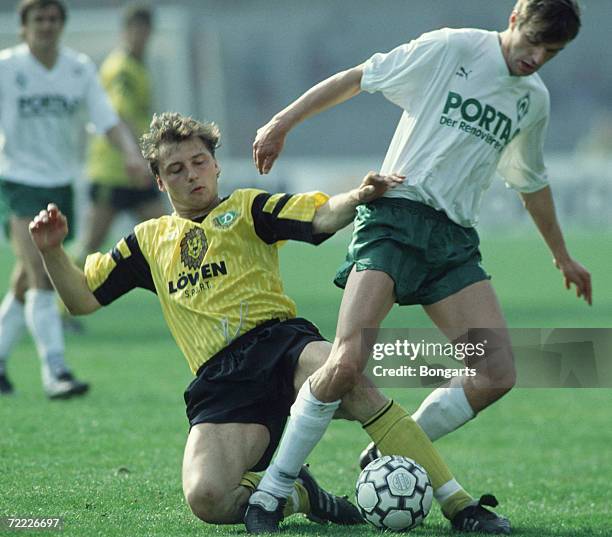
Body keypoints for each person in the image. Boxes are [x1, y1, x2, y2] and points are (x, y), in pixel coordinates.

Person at [30, 112, 508, 533]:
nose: (192, 175)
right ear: (159, 181)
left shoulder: (247, 209)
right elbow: (82, 299)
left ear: (215, 164)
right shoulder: (147, 241)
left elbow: (319, 216)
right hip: (220, 380)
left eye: (199, 162)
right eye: (176, 169)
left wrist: (359, 195)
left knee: (351, 378)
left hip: (282, 346)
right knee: (207, 499)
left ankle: (459, 504)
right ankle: (301, 494)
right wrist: (51, 251)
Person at [246, 0, 590, 530]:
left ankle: (392, 449)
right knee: (346, 363)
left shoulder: (532, 101)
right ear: (516, 18)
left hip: (451, 239)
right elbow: (358, 77)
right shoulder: (454, 47)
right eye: (534, 42)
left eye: (552, 52)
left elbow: (531, 180)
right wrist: (280, 122)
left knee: (497, 372)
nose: (537, 58)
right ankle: (272, 491)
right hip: (395, 216)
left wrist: (561, 255)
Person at [0, 0, 149, 398]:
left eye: (53, 19)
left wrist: (132, 154)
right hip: (16, 181)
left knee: (25, 278)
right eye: (38, 19)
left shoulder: (78, 68)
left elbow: (106, 119)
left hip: (61, 185)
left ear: (62, 25)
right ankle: (56, 372)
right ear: (24, 25)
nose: (46, 26)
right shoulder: (7, 67)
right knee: (42, 272)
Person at [76, 4, 164, 266]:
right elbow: (120, 115)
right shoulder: (121, 68)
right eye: (135, 29)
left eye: (145, 30)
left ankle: (182, 296)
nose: (140, 35)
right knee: (91, 245)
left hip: (136, 171)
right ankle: (55, 294)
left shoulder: (139, 66)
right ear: (125, 31)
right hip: (113, 170)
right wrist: (146, 152)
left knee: (164, 232)